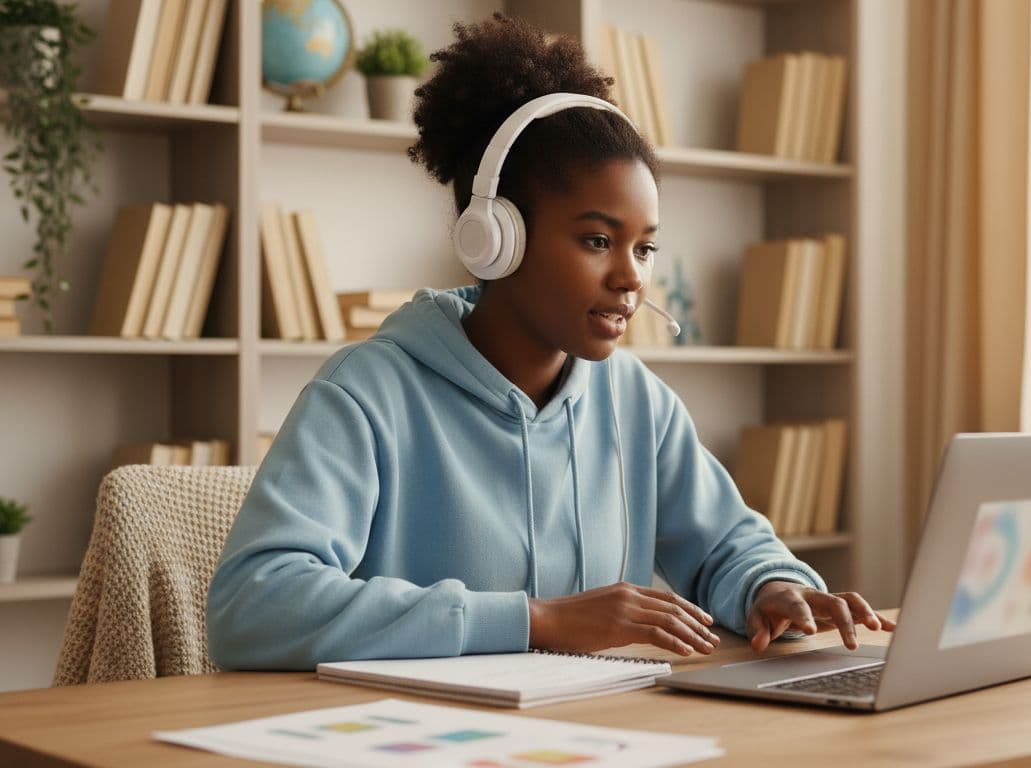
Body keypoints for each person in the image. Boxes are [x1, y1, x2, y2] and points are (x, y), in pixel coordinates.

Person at [207, 13, 894, 670]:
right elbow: (254, 604)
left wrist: (771, 588)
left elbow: (725, 546)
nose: (631, 276)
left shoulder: (637, 403)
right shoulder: (367, 394)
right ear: (497, 237)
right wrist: (535, 619)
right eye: (598, 240)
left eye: (645, 247)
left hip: (596, 736)